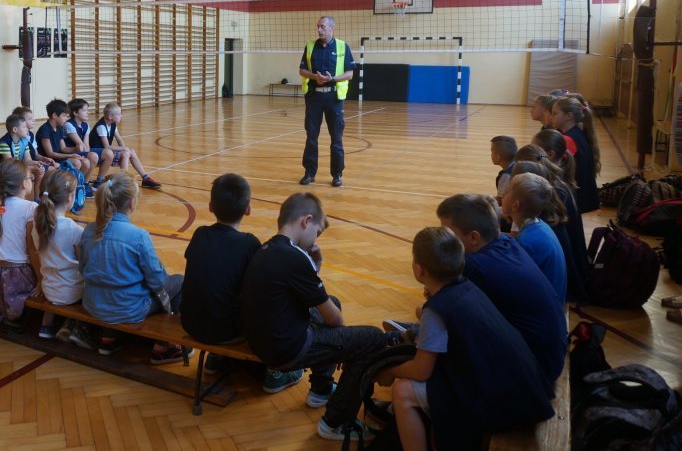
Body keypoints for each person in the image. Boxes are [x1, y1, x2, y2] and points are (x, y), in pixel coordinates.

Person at [376, 227, 554, 451]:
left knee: (402, 391)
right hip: (526, 388)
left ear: (419, 270)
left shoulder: (436, 311)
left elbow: (421, 371)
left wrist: (390, 370)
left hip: (504, 404)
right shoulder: (467, 287)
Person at [239, 192, 398, 442]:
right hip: (285, 349)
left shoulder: (269, 247)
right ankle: (336, 423)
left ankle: (321, 391)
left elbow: (311, 295)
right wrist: (344, 346)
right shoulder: (295, 257)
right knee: (372, 339)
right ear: (306, 221)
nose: (316, 241)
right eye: (317, 232)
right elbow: (335, 321)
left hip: (264, 340)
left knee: (331, 301)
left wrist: (316, 265)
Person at [436, 193, 567, 383]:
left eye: (448, 234)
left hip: (535, 370)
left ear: (473, 237)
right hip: (549, 355)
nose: (443, 240)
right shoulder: (507, 243)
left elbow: (450, 318)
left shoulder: (474, 266)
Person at [181, 174, 286, 387]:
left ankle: (216, 357)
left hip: (191, 324)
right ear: (248, 209)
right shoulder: (248, 243)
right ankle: (275, 371)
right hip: (227, 331)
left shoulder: (200, 234)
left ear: (210, 207)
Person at [79, 172, 189, 364]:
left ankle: (108, 339)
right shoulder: (137, 236)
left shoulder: (89, 230)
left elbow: (83, 269)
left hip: (94, 304)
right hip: (128, 308)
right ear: (131, 202)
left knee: (113, 281)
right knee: (179, 281)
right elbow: (158, 281)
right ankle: (164, 346)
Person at [32, 168, 92, 348]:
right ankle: (76, 324)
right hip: (72, 292)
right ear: (69, 198)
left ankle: (47, 325)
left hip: (48, 288)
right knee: (92, 279)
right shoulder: (74, 230)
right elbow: (85, 264)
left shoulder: (37, 224)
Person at [0, 161, 39, 329]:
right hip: (16, 274)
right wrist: (40, 279)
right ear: (24, 183)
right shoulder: (30, 208)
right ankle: (14, 315)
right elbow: (32, 249)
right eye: (30, 178)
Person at [298, 15, 354, 187]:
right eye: (318, 27)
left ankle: (337, 174)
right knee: (311, 137)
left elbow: (350, 74)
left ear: (331, 28)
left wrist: (333, 79)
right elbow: (302, 70)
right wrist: (315, 77)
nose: (319, 30)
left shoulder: (343, 46)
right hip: (314, 97)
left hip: (333, 98)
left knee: (336, 138)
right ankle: (309, 173)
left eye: (322, 26)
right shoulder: (310, 47)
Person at [501, 172, 567, 301]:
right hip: (551, 302)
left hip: (544, 310)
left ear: (515, 205)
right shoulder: (538, 226)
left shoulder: (527, 242)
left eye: (507, 191)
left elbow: (514, 284)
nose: (503, 194)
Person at [88, 103, 162, 189]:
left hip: (105, 152)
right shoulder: (101, 126)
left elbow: (119, 139)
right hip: (97, 154)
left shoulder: (112, 124)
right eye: (119, 114)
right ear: (110, 117)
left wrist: (124, 149)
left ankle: (145, 178)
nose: (121, 116)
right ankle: (124, 182)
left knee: (130, 152)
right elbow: (107, 147)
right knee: (125, 154)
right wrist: (123, 149)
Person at [552, 95, 601, 213]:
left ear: (569, 116)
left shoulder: (568, 139)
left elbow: (558, 169)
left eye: (554, 113)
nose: (551, 117)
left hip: (575, 195)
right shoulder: (578, 132)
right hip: (580, 194)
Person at [36, 99, 95, 197]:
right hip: (50, 160)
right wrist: (72, 155)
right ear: (55, 115)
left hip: (59, 157)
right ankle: (68, 189)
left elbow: (63, 148)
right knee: (76, 162)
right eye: (64, 115)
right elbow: (50, 153)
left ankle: (77, 187)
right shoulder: (45, 130)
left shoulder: (59, 127)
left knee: (86, 162)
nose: (66, 118)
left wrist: (75, 150)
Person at [0, 113, 45, 191]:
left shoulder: (24, 141)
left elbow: (28, 160)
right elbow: (10, 166)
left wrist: (36, 163)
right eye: (24, 127)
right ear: (15, 129)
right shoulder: (4, 143)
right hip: (5, 172)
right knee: (33, 171)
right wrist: (30, 169)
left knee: (39, 170)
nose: (27, 129)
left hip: (17, 168)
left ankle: (36, 199)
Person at [66, 98, 109, 187]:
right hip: (71, 152)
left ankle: (93, 181)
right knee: (93, 155)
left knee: (107, 153)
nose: (87, 112)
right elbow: (80, 144)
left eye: (87, 110)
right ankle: (83, 183)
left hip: (82, 150)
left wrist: (87, 152)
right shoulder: (69, 124)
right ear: (75, 113)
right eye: (84, 110)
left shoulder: (85, 125)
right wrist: (87, 152)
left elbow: (86, 146)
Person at [12, 105, 63, 174]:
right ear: (21, 121)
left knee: (58, 166)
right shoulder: (15, 138)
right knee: (53, 169)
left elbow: (36, 155)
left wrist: (44, 159)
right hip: (21, 168)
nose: (34, 120)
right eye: (30, 119)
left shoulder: (31, 135)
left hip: (31, 163)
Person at [490, 135, 517, 204]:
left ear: (498, 157)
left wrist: (484, 200)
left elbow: (499, 201)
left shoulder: (506, 177)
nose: (491, 155)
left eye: (492, 152)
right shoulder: (517, 165)